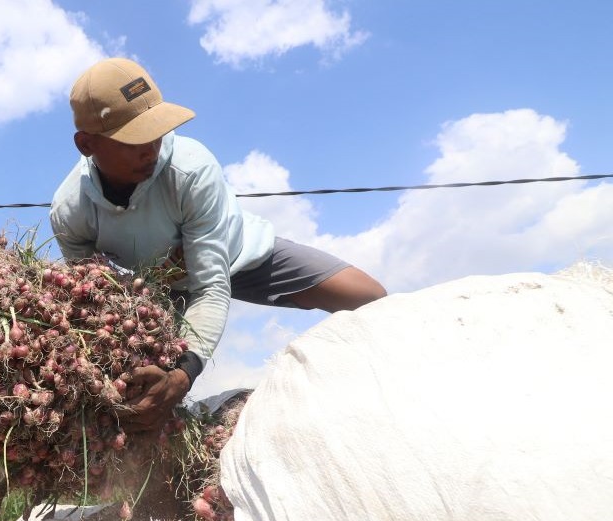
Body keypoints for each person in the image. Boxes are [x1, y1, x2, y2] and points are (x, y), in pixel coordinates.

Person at [50, 58, 386, 433]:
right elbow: (92, 301)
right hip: (163, 290)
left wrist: (184, 374)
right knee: (145, 394)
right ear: (87, 145)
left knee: (369, 297)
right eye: (134, 140)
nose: (151, 149)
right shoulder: (70, 212)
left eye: (156, 132)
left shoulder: (189, 169)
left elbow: (211, 284)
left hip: (238, 255)